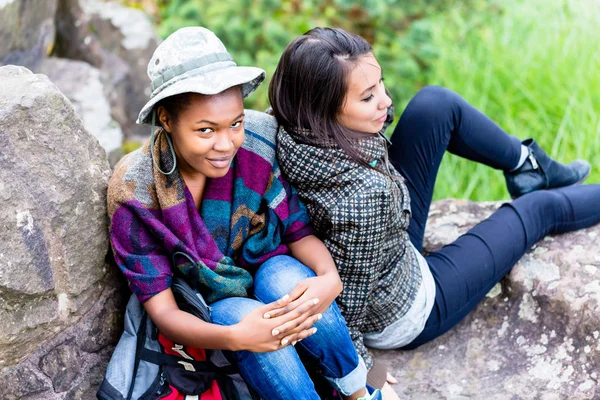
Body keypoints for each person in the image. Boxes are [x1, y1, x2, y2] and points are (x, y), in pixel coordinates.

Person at [269, 26, 600, 389]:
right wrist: (362, 372)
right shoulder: (363, 197)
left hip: (386, 234)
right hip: (406, 308)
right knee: (538, 211)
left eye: (379, 84)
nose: (385, 101)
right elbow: (346, 304)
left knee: (435, 105)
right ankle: (536, 183)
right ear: (322, 111)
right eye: (367, 98)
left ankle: (527, 164)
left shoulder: (287, 121)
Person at [107, 27, 382, 400]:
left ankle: (357, 393)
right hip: (216, 310)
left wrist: (329, 278)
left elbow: (297, 230)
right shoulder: (136, 191)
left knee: (284, 281)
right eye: (205, 130)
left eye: (234, 123)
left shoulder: (257, 139)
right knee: (235, 314)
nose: (226, 144)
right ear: (166, 119)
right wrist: (236, 337)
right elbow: (164, 312)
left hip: (272, 270)